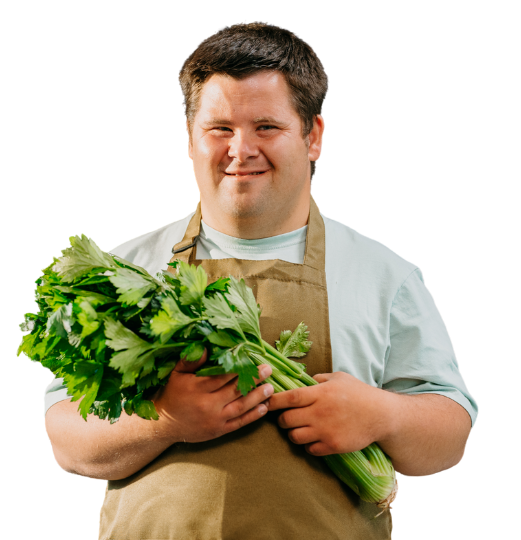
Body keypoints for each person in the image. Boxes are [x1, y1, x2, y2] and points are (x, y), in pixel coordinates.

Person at [43, 21, 479, 539]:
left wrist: (382, 415)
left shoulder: (383, 271)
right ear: (189, 138)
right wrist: (166, 421)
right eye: (220, 128)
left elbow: (451, 437)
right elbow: (67, 438)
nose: (240, 149)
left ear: (314, 136)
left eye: (266, 127)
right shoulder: (130, 266)